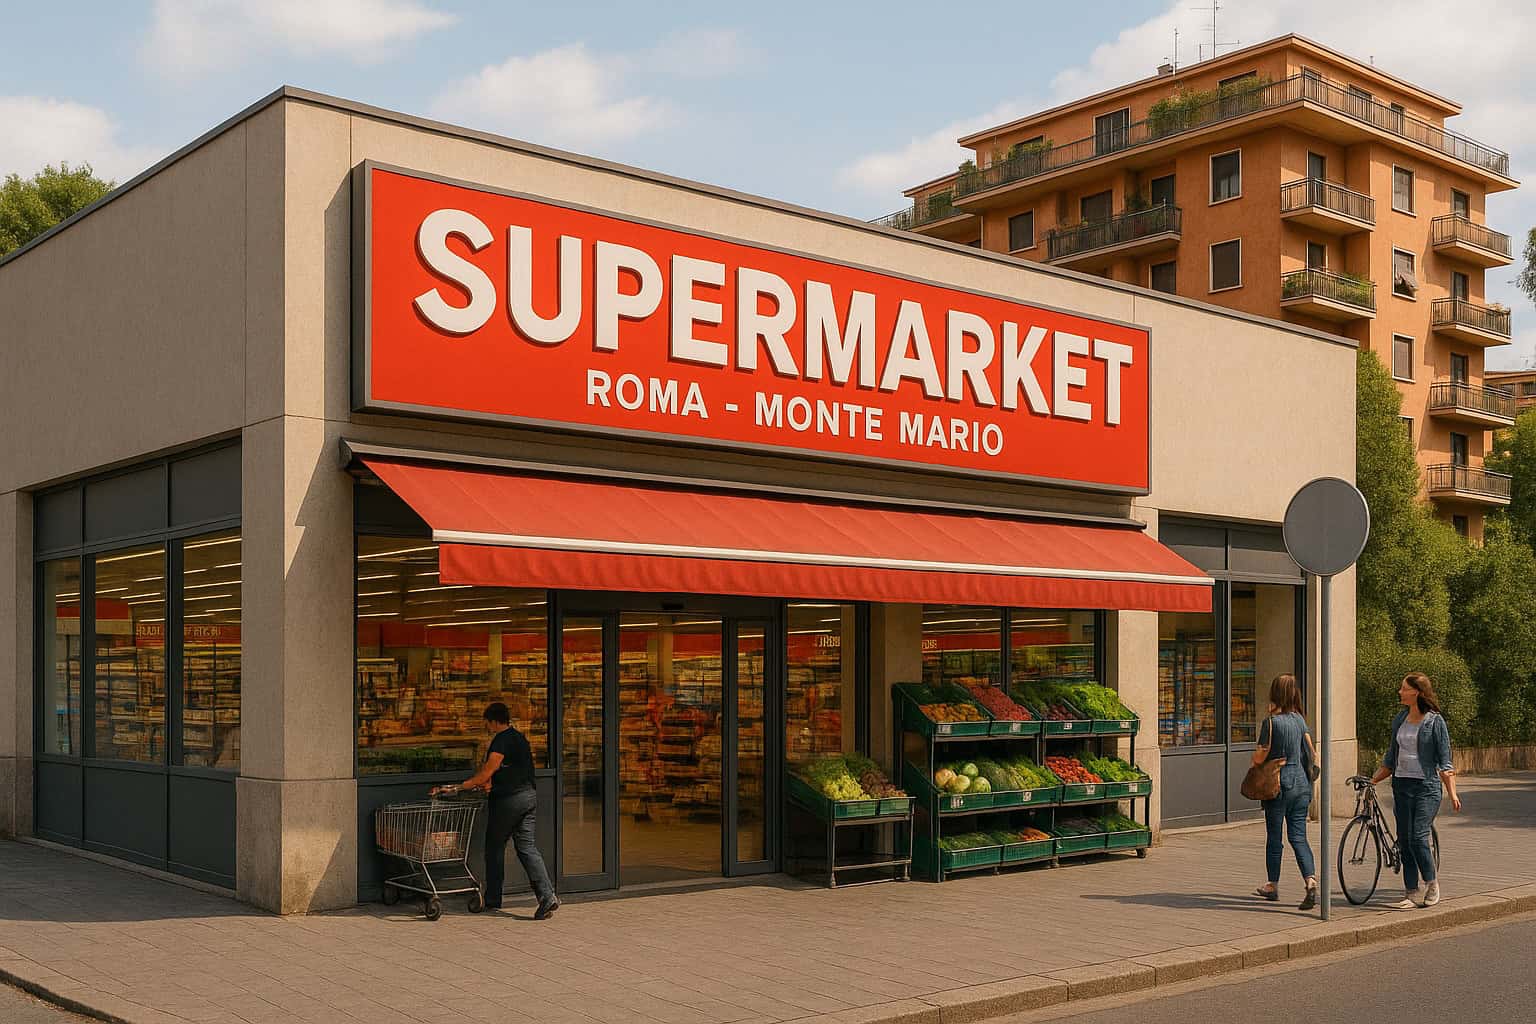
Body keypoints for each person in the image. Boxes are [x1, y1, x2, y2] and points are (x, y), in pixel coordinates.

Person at [434, 702, 559, 919]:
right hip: (529, 796)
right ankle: (547, 896)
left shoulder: (501, 741)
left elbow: (487, 771)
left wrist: (459, 787)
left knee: (494, 847)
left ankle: (493, 898)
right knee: (527, 847)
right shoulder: (519, 738)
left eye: (487, 722)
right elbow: (512, 769)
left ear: (493, 721)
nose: (486, 726)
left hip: (509, 799)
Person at [1369, 672, 1461, 909]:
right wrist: (1373, 781)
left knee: (1419, 837)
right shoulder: (1400, 719)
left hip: (1426, 787)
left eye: (1404, 688)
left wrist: (1452, 792)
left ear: (1417, 692)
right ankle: (1411, 892)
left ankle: (1431, 883)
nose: (1400, 692)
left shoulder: (1434, 721)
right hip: (1401, 786)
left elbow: (1445, 761)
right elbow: (1391, 758)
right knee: (1406, 840)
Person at [1252, 674, 1319, 910]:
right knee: (1298, 836)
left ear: (1274, 693)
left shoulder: (1271, 722)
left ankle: (1272, 885)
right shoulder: (1300, 720)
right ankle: (1310, 881)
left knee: (1274, 837)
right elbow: (1312, 753)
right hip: (1301, 785)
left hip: (1278, 786)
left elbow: (1259, 755)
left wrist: (1259, 758)